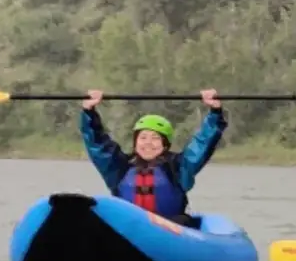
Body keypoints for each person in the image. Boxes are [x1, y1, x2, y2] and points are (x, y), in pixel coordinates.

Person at [79, 88, 226, 228]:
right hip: (128, 229)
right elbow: (98, 144)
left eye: (155, 138)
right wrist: (89, 112)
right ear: (135, 143)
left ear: (165, 145)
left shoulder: (178, 167)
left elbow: (202, 143)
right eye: (143, 138)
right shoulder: (119, 168)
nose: (148, 143)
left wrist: (215, 111)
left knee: (182, 220)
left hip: (169, 230)